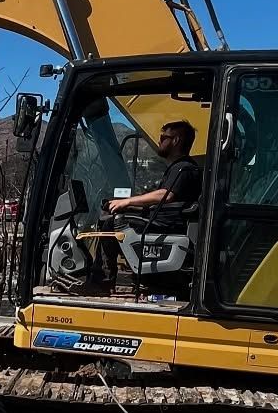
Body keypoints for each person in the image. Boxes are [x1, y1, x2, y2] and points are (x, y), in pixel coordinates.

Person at [86, 121, 201, 288]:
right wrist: (127, 205)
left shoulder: (184, 169)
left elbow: (165, 195)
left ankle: (100, 284)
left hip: (166, 224)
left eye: (163, 137)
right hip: (164, 220)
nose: (160, 141)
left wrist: (127, 201)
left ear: (176, 140)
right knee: (111, 217)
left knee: (110, 224)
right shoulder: (178, 168)